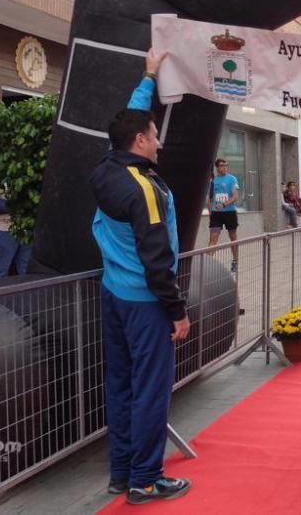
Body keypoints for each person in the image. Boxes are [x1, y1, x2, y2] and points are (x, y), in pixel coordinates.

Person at [89, 49, 191, 505]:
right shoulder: (145, 190)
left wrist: (148, 76)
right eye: (153, 136)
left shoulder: (106, 168)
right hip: (146, 304)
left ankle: (121, 471)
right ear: (138, 142)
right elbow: (158, 260)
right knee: (150, 391)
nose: (158, 141)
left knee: (122, 384)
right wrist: (177, 311)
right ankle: (146, 479)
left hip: (114, 296)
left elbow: (132, 117)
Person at [0, 177, 31, 277]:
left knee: (26, 270)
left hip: (26, 230)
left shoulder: (29, 177)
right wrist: (16, 205)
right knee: (1, 271)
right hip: (4, 229)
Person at [208, 157, 239, 271]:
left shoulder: (232, 179)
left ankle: (235, 261)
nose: (225, 167)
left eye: (226, 165)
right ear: (217, 167)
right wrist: (210, 212)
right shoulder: (213, 181)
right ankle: (208, 263)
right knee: (213, 237)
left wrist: (224, 204)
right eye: (222, 165)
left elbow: (235, 197)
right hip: (216, 214)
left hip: (230, 212)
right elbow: (210, 198)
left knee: (233, 237)